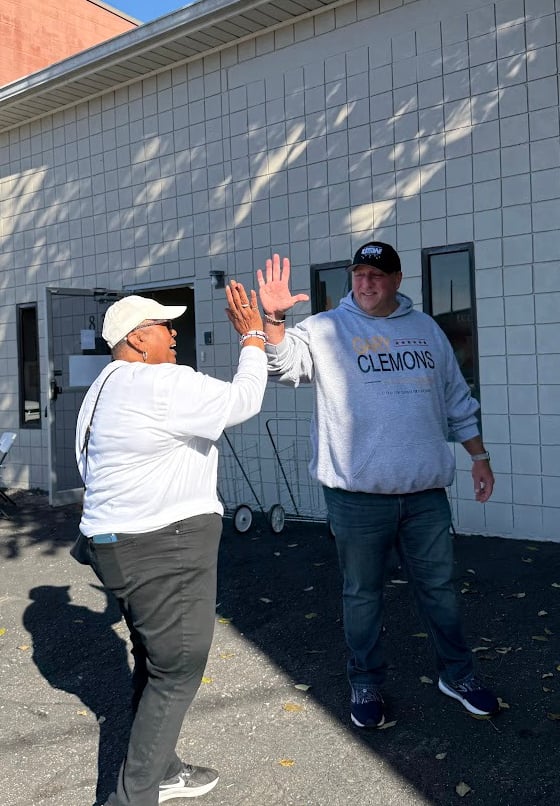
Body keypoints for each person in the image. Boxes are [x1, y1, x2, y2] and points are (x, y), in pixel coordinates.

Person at [255, 244, 499, 728]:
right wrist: (275, 321)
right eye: (359, 274)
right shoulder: (325, 329)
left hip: (425, 494)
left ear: (398, 279)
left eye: (377, 275)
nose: (365, 283)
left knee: (440, 590)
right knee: (362, 594)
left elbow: (456, 399)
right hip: (356, 497)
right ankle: (365, 682)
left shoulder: (425, 329)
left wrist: (479, 457)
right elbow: (282, 368)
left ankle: (458, 674)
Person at [75, 283, 268, 805]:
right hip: (163, 545)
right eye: (164, 325)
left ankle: (164, 767)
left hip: (115, 545)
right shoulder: (158, 383)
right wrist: (253, 336)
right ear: (138, 340)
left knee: (154, 660)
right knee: (178, 668)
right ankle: (133, 795)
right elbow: (244, 400)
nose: (174, 333)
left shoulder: (103, 387)